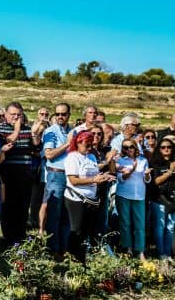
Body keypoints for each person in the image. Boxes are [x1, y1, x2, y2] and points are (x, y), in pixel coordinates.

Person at [0, 102, 43, 245]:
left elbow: (36, 148)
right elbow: (6, 143)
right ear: (6, 115)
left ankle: (20, 236)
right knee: (9, 206)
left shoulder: (27, 129)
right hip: (7, 171)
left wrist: (35, 134)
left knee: (23, 205)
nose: (16, 117)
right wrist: (17, 129)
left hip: (25, 171)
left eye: (19, 115)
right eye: (13, 114)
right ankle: (8, 238)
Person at [63, 131, 115, 262]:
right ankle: (72, 257)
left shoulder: (91, 157)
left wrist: (104, 177)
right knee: (77, 229)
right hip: (76, 198)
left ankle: (82, 258)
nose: (90, 148)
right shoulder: (72, 157)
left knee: (86, 229)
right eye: (87, 145)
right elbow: (73, 180)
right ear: (78, 143)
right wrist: (94, 180)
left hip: (90, 198)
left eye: (91, 145)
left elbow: (94, 173)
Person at [41, 103, 73, 258]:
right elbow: (49, 154)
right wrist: (67, 144)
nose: (60, 117)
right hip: (56, 174)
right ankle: (53, 248)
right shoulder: (50, 131)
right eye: (58, 114)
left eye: (63, 114)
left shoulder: (72, 131)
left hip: (70, 175)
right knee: (54, 213)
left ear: (69, 115)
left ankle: (64, 247)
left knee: (67, 213)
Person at [115, 139, 151, 259]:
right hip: (123, 195)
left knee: (140, 224)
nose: (129, 149)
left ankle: (140, 251)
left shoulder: (143, 160)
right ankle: (128, 249)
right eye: (125, 147)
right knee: (125, 223)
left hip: (139, 195)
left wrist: (147, 175)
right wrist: (132, 170)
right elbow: (121, 179)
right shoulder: (120, 161)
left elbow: (147, 180)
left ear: (135, 147)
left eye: (131, 147)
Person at [149, 138, 175, 260]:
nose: (166, 149)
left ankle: (168, 254)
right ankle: (160, 254)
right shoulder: (155, 163)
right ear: (159, 149)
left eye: (169, 147)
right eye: (163, 147)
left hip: (173, 199)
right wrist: (170, 172)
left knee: (171, 227)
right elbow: (156, 181)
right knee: (160, 226)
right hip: (159, 199)